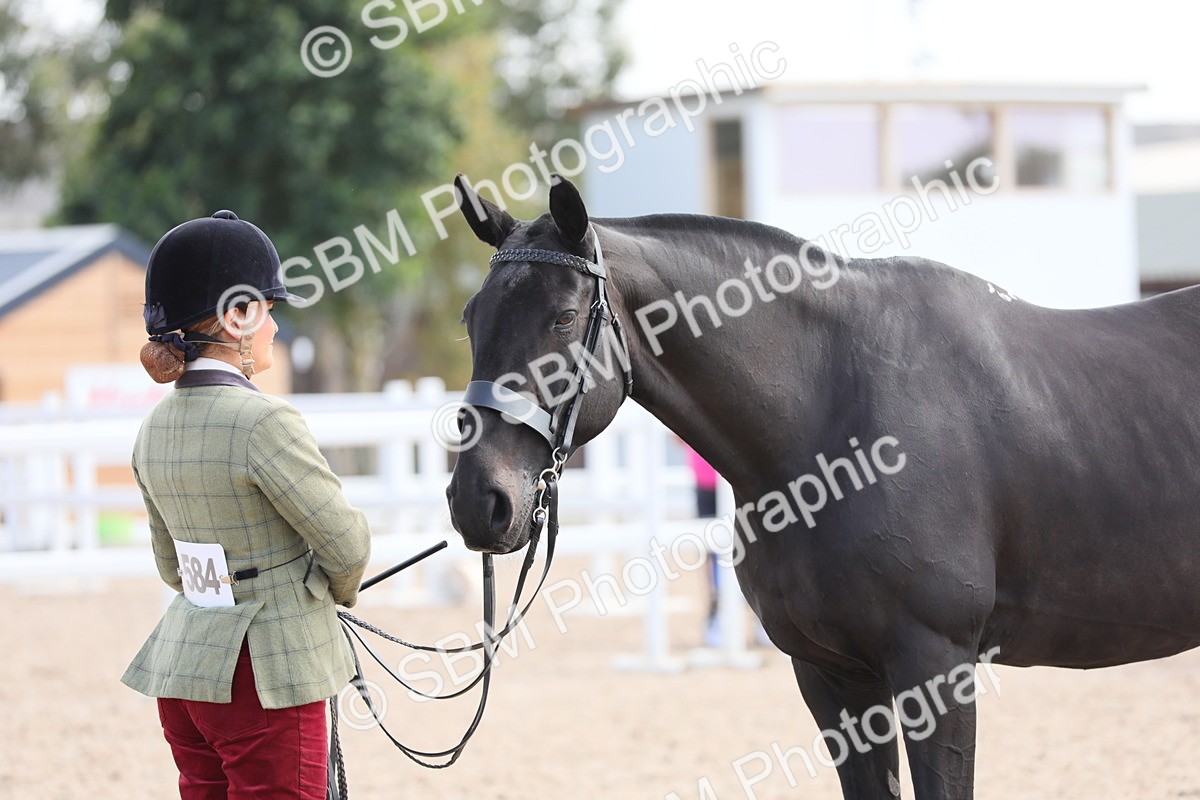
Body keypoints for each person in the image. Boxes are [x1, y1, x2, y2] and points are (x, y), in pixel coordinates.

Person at [121, 210, 372, 799]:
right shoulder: (263, 421)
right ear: (236, 317)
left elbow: (173, 568)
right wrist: (323, 592)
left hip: (186, 672)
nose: (275, 328)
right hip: (266, 673)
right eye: (268, 310)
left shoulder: (153, 428)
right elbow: (347, 546)